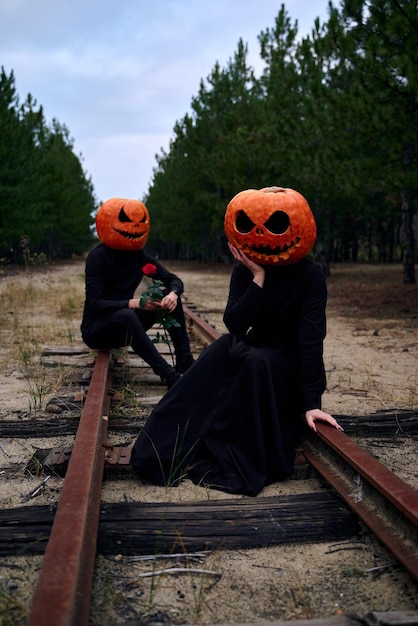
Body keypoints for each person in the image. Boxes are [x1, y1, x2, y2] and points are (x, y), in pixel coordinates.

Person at [131, 187, 342, 496]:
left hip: (284, 360)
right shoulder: (244, 273)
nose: (259, 233)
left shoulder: (310, 276)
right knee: (221, 349)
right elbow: (235, 323)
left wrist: (311, 403)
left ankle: (238, 450)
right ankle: (159, 448)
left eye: (275, 224)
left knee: (254, 361)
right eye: (246, 224)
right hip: (254, 346)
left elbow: (311, 340)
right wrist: (257, 277)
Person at [81, 198, 194, 389]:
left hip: (125, 329)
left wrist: (173, 293)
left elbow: (173, 279)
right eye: (125, 219)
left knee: (165, 295)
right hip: (97, 330)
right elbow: (95, 304)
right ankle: (169, 376)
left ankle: (184, 359)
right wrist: (133, 303)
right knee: (127, 314)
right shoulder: (97, 257)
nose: (135, 225)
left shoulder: (138, 255)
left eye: (141, 220)